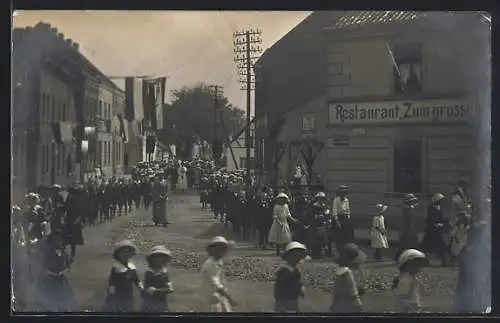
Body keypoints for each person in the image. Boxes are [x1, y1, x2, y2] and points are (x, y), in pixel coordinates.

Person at [34, 229, 75, 311]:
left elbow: (66, 266)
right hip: (49, 281)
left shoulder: (63, 253)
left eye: (60, 239)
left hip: (61, 280)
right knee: (51, 303)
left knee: (65, 302)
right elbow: (42, 265)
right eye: (57, 239)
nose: (60, 241)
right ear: (52, 241)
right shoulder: (46, 252)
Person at [103, 240, 144, 312]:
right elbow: (112, 281)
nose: (125, 255)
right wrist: (111, 290)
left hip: (128, 293)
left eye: (127, 252)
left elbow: (136, 279)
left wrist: (141, 288)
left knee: (128, 307)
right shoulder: (116, 267)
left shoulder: (132, 267)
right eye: (123, 253)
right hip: (118, 293)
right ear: (118, 255)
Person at [200, 236, 237, 312]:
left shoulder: (219, 261)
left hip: (219, 297)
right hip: (211, 299)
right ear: (212, 250)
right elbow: (217, 286)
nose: (222, 251)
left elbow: (221, 280)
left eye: (224, 248)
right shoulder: (210, 265)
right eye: (219, 248)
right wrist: (229, 298)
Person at [329, 243, 366, 313]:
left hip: (339, 302)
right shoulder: (348, 272)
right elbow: (352, 290)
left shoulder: (341, 270)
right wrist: (358, 303)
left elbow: (337, 289)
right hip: (349, 303)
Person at [274, 241, 308, 313]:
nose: (296, 259)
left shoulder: (297, 270)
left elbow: (299, 282)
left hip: (293, 298)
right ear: (288, 257)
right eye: (294, 256)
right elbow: (278, 287)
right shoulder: (283, 271)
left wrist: (301, 288)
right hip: (283, 300)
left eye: (298, 256)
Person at [141, 246, 174, 312]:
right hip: (151, 303)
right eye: (156, 257)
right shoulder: (149, 273)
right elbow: (148, 290)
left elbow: (169, 287)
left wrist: (167, 286)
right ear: (151, 259)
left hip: (162, 301)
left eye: (161, 257)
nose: (159, 259)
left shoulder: (164, 272)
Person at [392, 249, 426, 313]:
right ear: (405, 266)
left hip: (413, 307)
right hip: (408, 310)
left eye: (420, 265)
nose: (418, 267)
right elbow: (402, 297)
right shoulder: (406, 279)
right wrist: (411, 308)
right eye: (415, 265)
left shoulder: (412, 277)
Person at [420, 193, 447, 266]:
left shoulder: (439, 208)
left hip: (437, 231)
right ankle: (423, 261)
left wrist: (443, 223)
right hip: (431, 231)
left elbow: (440, 218)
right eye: (440, 201)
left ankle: (444, 261)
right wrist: (435, 224)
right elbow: (429, 220)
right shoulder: (431, 209)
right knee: (425, 247)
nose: (441, 202)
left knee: (442, 247)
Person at [395, 194, 420, 261]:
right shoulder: (406, 208)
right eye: (411, 201)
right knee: (406, 243)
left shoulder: (409, 207)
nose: (413, 202)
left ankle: (400, 256)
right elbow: (410, 216)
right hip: (408, 227)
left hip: (410, 227)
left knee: (408, 243)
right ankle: (399, 256)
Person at [332, 185, 355, 251]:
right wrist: (337, 221)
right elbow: (334, 211)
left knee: (348, 233)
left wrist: (348, 218)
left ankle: (347, 247)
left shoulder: (346, 200)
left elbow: (348, 210)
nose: (344, 194)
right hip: (339, 218)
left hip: (345, 218)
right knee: (339, 235)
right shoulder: (336, 200)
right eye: (343, 192)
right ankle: (339, 248)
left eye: (345, 192)